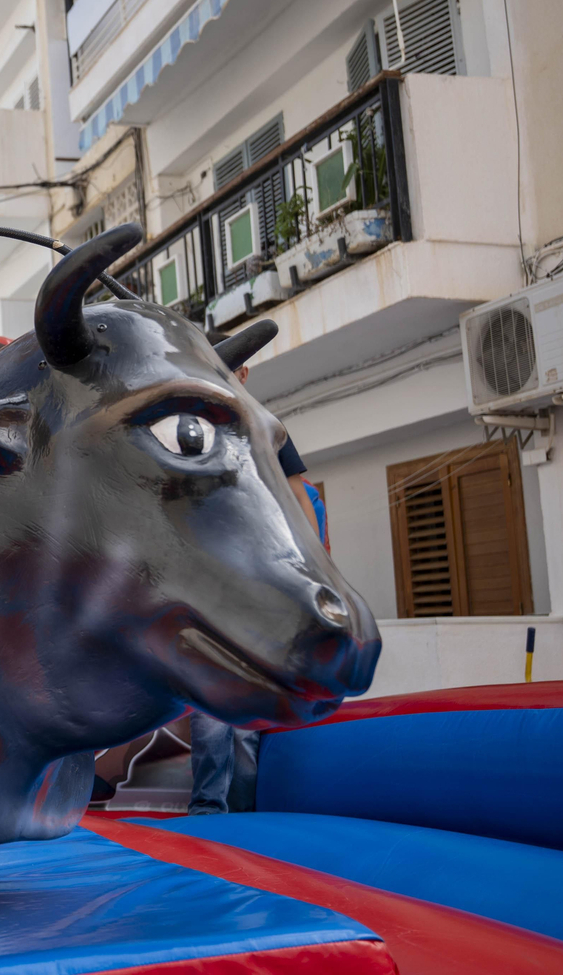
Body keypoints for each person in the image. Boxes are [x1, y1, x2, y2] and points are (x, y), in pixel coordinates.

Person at [188, 340, 326, 815]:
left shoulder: (266, 428)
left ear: (244, 375)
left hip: (258, 580)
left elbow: (297, 493)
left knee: (246, 713)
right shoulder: (197, 426)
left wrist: (311, 557)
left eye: (234, 370)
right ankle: (208, 808)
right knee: (209, 711)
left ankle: (245, 813)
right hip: (212, 582)